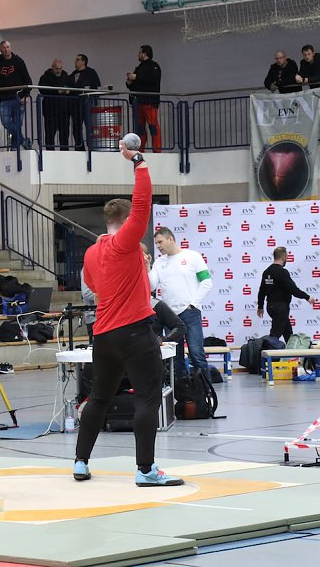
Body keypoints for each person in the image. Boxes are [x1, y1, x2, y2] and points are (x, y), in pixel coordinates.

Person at [75, 140, 183, 487]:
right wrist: (138, 161)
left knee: (99, 398)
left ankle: (80, 462)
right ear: (126, 222)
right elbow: (143, 203)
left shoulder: (92, 253)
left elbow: (96, 287)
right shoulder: (125, 243)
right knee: (149, 397)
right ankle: (146, 470)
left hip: (103, 336)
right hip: (134, 333)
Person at [150, 227, 213, 378]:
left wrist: (193, 304)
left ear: (170, 239)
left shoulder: (193, 256)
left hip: (189, 313)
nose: (158, 246)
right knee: (175, 358)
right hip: (170, 316)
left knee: (196, 353)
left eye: (160, 242)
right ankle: (183, 394)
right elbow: (151, 286)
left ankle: (206, 394)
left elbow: (206, 282)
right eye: (156, 243)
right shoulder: (159, 262)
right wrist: (147, 266)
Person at [0, 41, 33, 151]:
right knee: (5, 122)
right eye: (3, 47)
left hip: (18, 97)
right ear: (0, 49)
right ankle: (23, 140)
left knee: (17, 123)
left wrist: (25, 95)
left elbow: (28, 80)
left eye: (8, 47)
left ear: (11, 48)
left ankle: (14, 146)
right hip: (4, 99)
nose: (6, 49)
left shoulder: (18, 61)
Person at [257, 246, 314, 343]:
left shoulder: (267, 272)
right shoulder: (282, 272)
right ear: (283, 257)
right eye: (286, 257)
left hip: (270, 306)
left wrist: (260, 306)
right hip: (280, 307)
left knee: (288, 334)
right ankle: (267, 356)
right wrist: (307, 297)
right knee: (275, 335)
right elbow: (293, 289)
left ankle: (292, 355)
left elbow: (262, 290)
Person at [68, 54, 101, 151]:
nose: (75, 62)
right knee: (76, 128)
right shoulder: (72, 74)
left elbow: (97, 87)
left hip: (87, 103)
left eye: (78, 60)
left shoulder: (91, 73)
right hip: (75, 104)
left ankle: (92, 148)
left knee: (89, 127)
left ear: (83, 61)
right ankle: (79, 148)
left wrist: (94, 101)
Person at [38, 59, 70, 151]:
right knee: (50, 134)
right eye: (56, 68)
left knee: (64, 134)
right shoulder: (45, 77)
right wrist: (56, 91)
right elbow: (42, 89)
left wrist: (68, 91)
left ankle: (65, 152)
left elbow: (72, 87)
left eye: (60, 68)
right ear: (52, 68)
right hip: (50, 110)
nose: (58, 71)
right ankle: (49, 152)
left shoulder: (66, 77)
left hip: (64, 111)